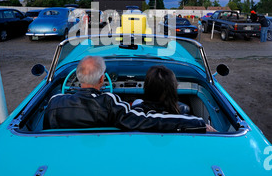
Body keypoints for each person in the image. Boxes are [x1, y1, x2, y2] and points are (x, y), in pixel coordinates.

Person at [43, 56, 208, 133]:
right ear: (102, 79)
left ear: (77, 76)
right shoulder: (110, 102)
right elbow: (148, 120)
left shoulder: (55, 102)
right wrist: (198, 122)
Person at [132, 65, 216, 132]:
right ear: (172, 89)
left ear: (146, 88)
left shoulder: (135, 113)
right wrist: (200, 124)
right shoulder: (190, 121)